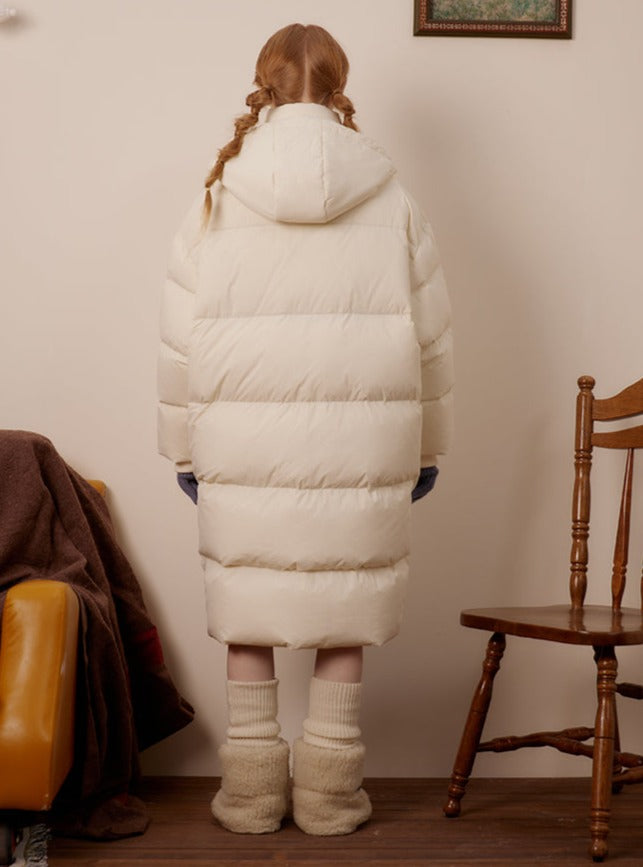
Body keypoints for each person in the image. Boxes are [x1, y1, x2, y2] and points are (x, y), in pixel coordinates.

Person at [157, 22, 453, 837]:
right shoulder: (391, 196)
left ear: (266, 84)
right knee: (345, 607)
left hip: (240, 442)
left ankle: (250, 796)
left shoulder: (218, 195)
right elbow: (432, 338)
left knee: (247, 605)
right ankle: (329, 797)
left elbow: (179, 338)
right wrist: (425, 447)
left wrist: (183, 447)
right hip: (366, 442)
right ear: (338, 84)